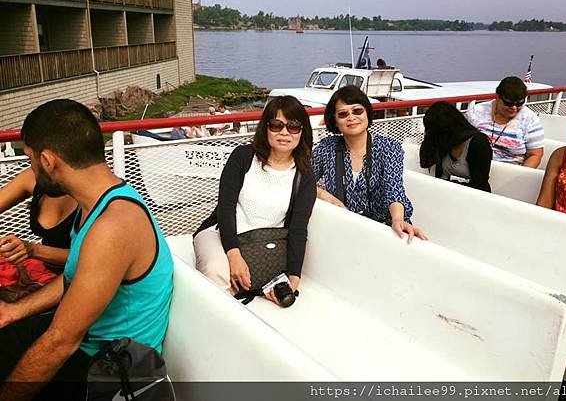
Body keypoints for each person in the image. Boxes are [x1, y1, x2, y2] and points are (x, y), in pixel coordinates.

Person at [0, 99, 173, 400]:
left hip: (109, 365)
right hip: (87, 342)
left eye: (30, 160)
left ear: (48, 161)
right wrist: (14, 312)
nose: (31, 169)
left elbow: (62, 341)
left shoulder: (113, 225)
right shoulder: (94, 203)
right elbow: (74, 280)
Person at [193, 96, 316, 304]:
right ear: (265, 128)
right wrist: (233, 255)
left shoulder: (304, 175)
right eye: (277, 125)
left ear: (302, 132)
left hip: (264, 242)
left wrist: (294, 277)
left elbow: (298, 229)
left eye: (293, 127)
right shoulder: (243, 157)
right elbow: (226, 208)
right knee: (216, 271)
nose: (284, 132)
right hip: (220, 232)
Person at [312, 86, 426, 243]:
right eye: (343, 114)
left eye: (357, 111)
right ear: (335, 121)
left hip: (383, 229)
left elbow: (393, 189)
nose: (351, 117)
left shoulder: (389, 148)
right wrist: (326, 196)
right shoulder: (327, 148)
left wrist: (398, 219)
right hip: (344, 229)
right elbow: (303, 180)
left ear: (367, 113)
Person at [0, 168, 76, 269]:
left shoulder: (93, 191)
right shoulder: (34, 177)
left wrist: (34, 250)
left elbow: (93, 257)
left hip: (85, 275)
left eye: (30, 158)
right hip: (47, 270)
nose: (32, 165)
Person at [466, 76, 544, 168]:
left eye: (519, 103)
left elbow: (535, 155)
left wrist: (520, 176)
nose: (514, 108)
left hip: (511, 171)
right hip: (475, 166)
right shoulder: (476, 111)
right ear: (498, 97)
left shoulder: (530, 120)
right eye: (509, 103)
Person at [420, 102, 492, 192]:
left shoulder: (478, 143)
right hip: (444, 192)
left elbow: (480, 184)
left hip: (471, 196)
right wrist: (429, 136)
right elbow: (425, 162)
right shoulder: (443, 143)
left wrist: (451, 185)